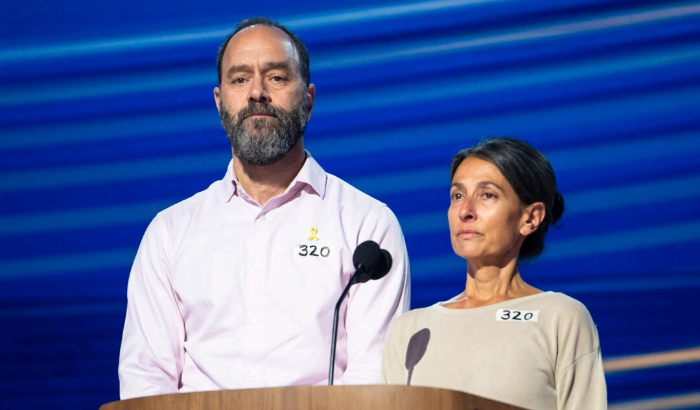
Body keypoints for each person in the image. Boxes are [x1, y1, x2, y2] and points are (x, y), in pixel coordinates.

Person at [118, 16, 410, 399]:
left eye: (276, 77)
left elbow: (373, 374)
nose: (257, 92)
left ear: (308, 98)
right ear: (219, 101)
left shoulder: (367, 225)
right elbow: (146, 377)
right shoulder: (170, 231)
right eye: (240, 79)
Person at [381, 137, 606, 409]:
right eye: (457, 195)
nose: (465, 211)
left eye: (487, 195)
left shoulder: (561, 317)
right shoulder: (412, 329)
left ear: (530, 218)